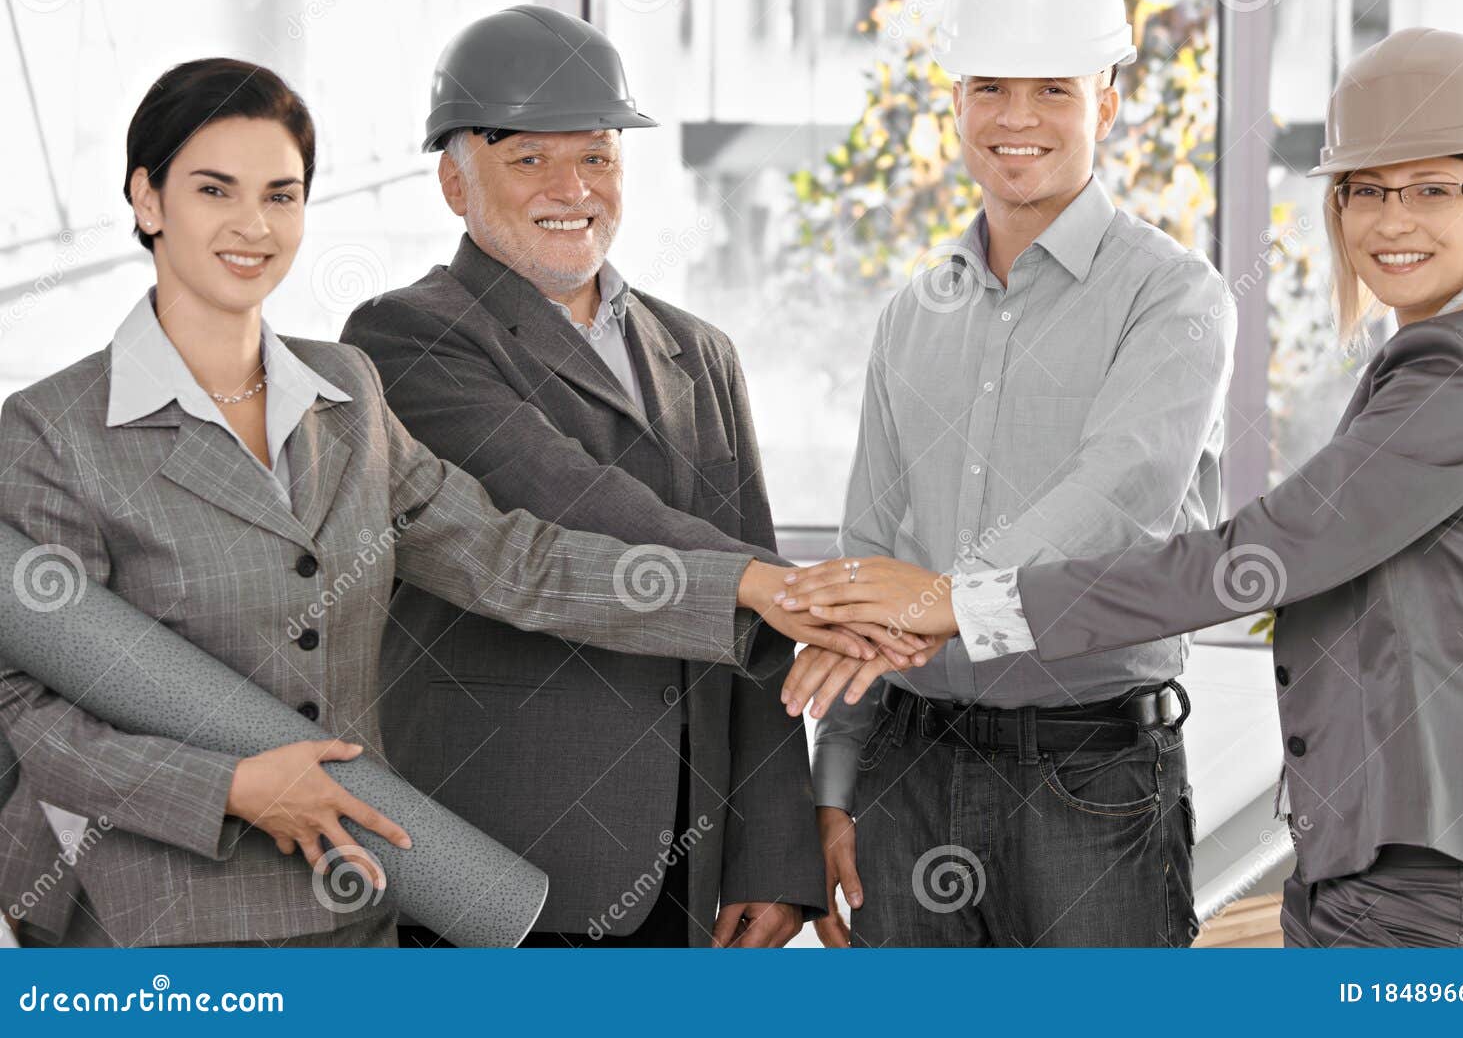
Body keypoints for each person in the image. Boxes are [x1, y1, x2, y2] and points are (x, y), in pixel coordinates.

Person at [0, 58, 870, 948]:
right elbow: (24, 709)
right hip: (146, 913)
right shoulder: (52, 429)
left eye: (282, 193)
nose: (252, 224)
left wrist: (748, 589)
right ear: (148, 199)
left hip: (352, 902)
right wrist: (230, 788)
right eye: (214, 189)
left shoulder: (345, 394)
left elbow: (510, 558)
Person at [781, 27, 1463, 949]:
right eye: (1366, 191)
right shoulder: (1458, 360)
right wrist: (839, 771)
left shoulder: (1456, 380)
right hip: (1389, 857)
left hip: (1421, 870)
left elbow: (1247, 558)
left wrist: (961, 604)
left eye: (1435, 188)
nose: (1393, 222)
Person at [342, 6, 880, 947]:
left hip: (684, 852)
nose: (572, 188)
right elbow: (568, 502)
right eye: (529, 161)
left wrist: (770, 852)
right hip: (493, 853)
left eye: (596, 156)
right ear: (453, 183)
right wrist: (794, 593)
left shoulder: (697, 353)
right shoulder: (404, 338)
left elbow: (755, 646)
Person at [805, 0, 1235, 948]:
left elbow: (1116, 496)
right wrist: (832, 783)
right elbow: (867, 550)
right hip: (904, 773)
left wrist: (951, 602)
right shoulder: (913, 313)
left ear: (1108, 101)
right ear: (954, 101)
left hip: (1087, 784)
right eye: (990, 86)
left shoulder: (1171, 298)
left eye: (1053, 90)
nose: (1017, 119)